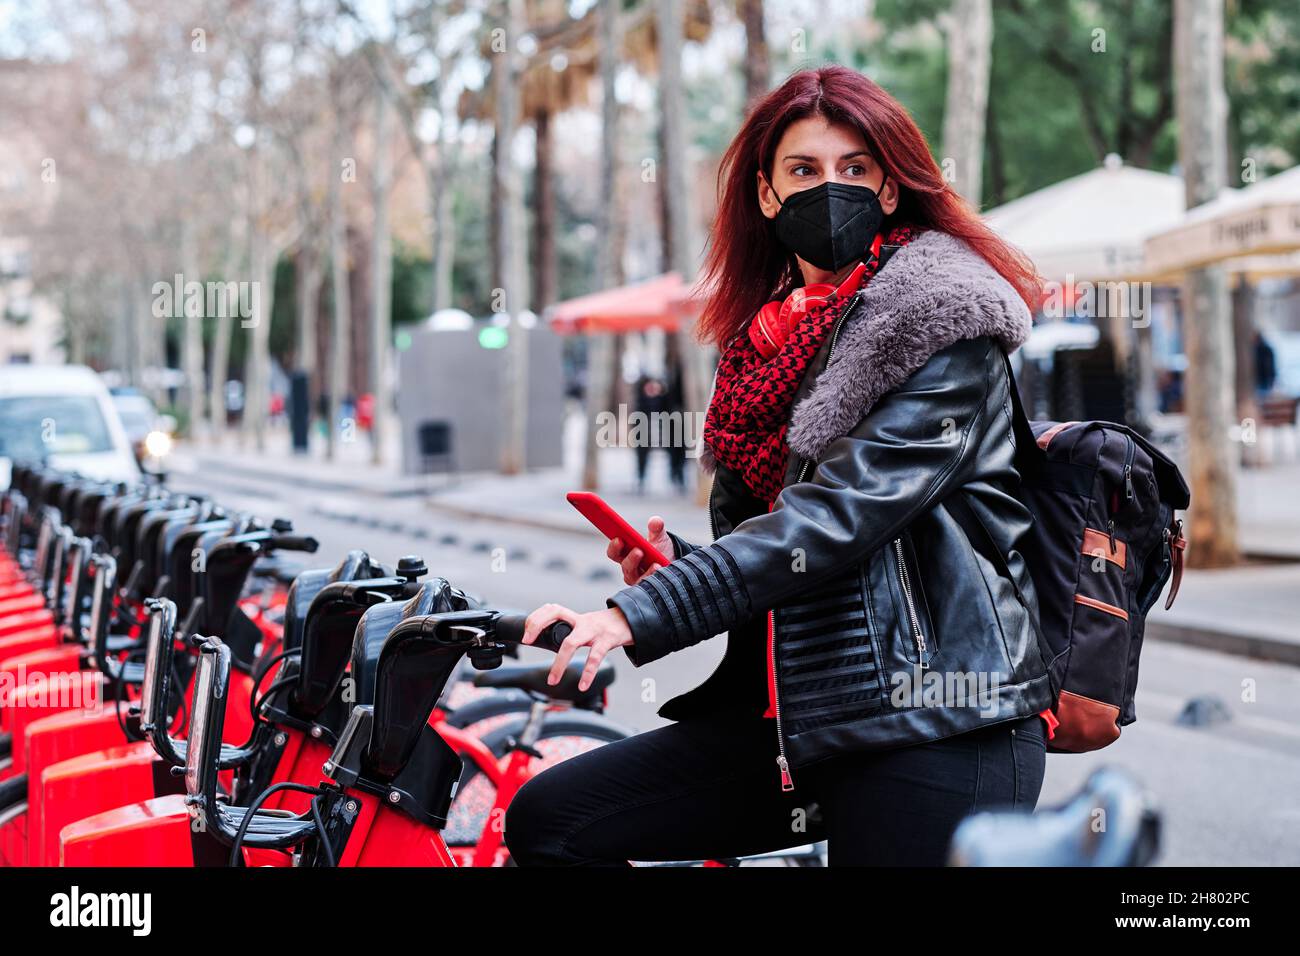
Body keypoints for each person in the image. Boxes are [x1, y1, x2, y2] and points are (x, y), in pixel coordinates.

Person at [507, 65, 1053, 867]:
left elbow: (836, 518)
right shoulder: (761, 350)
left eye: (855, 170)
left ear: (892, 190)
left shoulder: (945, 324)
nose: (829, 189)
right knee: (554, 820)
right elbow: (786, 551)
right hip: (806, 714)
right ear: (766, 194)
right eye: (803, 171)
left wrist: (643, 612)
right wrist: (679, 566)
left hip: (941, 721)